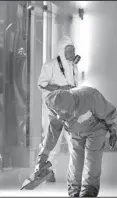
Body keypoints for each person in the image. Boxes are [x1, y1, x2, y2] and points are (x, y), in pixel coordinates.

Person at [43, 86, 117, 197]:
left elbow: (108, 113)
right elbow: (52, 133)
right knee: (75, 161)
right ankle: (74, 190)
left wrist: (113, 131)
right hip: (75, 132)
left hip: (96, 129)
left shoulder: (90, 96)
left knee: (92, 160)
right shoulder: (54, 106)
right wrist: (43, 156)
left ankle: (89, 191)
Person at [37, 35, 82, 182]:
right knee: (52, 141)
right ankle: (44, 168)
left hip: (70, 110)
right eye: (70, 50)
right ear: (62, 51)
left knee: (74, 141)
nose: (73, 52)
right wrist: (59, 88)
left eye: (74, 49)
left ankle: (76, 173)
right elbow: (41, 84)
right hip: (54, 110)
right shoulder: (50, 65)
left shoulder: (73, 66)